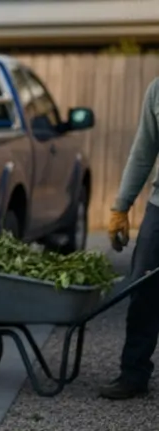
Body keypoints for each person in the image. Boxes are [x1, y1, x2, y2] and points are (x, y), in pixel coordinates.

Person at [104, 77, 159, 400]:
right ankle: (133, 373)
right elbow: (143, 151)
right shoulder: (157, 89)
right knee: (143, 288)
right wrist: (120, 206)